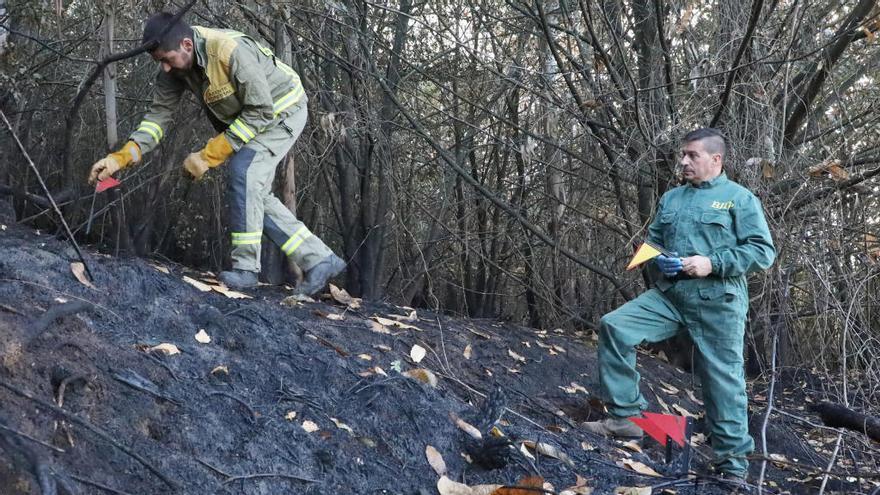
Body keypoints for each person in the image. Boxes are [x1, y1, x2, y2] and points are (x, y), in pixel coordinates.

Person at [87, 13, 345, 294]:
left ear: (186, 44)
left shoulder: (229, 50)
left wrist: (207, 156)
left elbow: (261, 111)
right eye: (158, 61)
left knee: (243, 173)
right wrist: (120, 158)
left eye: (166, 59)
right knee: (251, 194)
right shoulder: (174, 68)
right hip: (255, 118)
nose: (164, 68)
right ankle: (318, 259)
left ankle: (246, 270)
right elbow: (156, 119)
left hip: (283, 111)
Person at [582, 128, 776, 484]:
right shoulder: (672, 198)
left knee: (723, 381)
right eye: (682, 155)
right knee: (615, 325)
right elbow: (653, 241)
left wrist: (712, 263)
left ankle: (732, 466)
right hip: (670, 295)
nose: (683, 162)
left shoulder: (740, 199)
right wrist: (659, 259)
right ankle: (625, 419)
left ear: (715, 159)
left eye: (692, 155)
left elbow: (762, 252)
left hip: (718, 301)